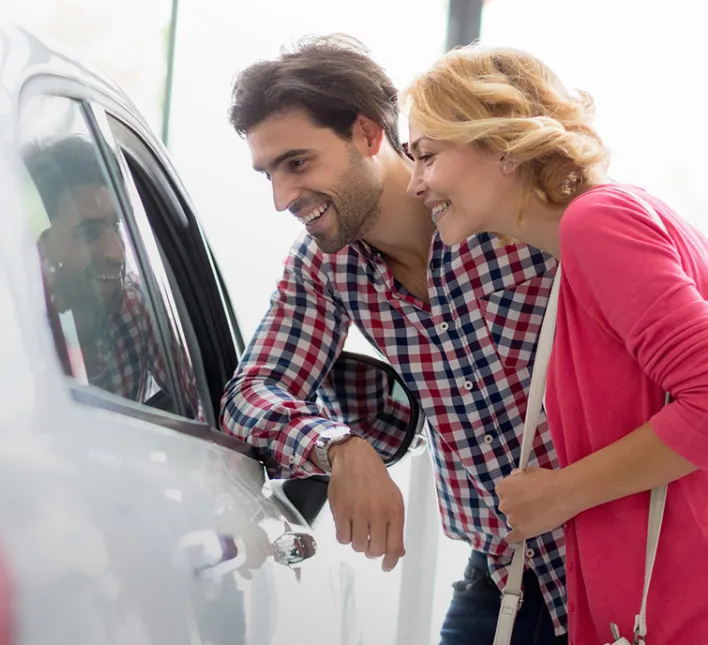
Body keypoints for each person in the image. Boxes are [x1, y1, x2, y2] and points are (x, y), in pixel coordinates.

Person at [221, 35, 566, 644]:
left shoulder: (517, 216)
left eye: (297, 163)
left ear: (366, 133)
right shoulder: (326, 266)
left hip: (618, 566)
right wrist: (339, 447)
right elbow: (252, 392)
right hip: (502, 576)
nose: (280, 198)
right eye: (269, 172)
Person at [403, 45, 708, 644]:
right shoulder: (581, 254)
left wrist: (558, 496)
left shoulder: (598, 225)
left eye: (428, 156)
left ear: (504, 146)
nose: (415, 184)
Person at [25, 136, 199, 417]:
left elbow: (203, 401)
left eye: (116, 226)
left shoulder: (138, 305)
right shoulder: (16, 335)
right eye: (89, 233)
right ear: (41, 246)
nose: (117, 254)